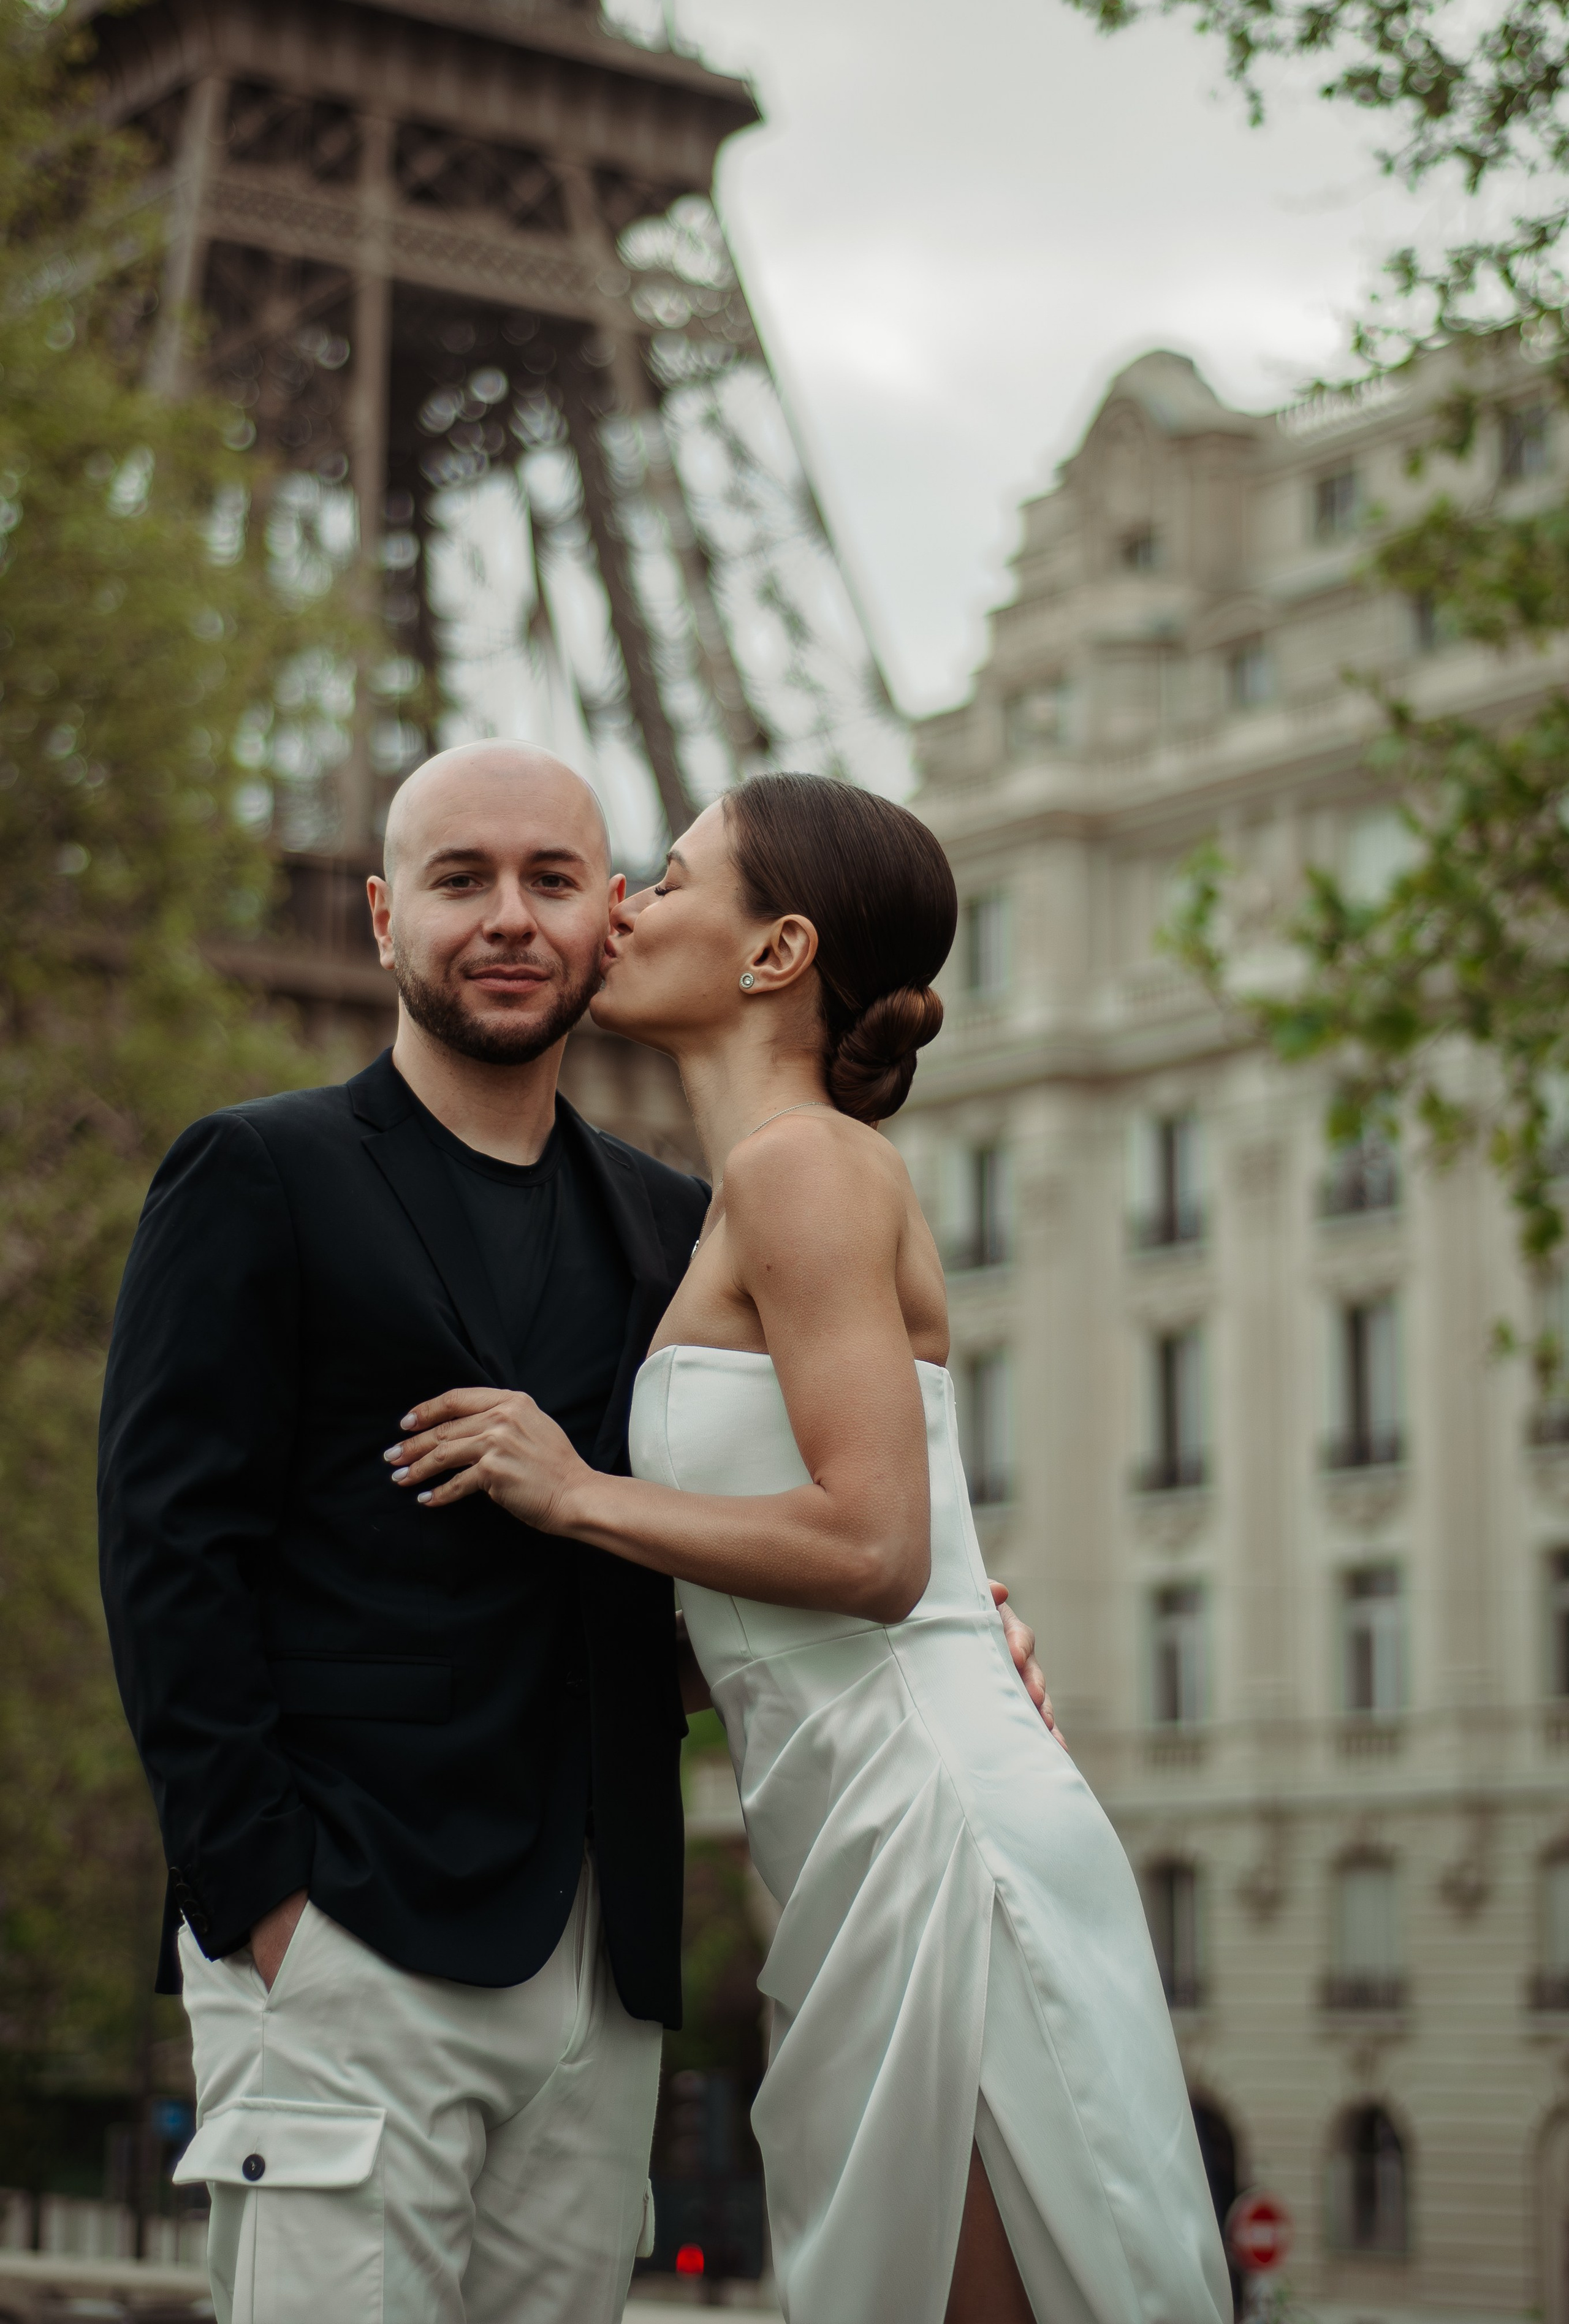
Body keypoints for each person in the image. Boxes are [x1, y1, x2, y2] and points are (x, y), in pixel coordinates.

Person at [98, 741, 1047, 2324]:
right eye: (461, 882)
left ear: (612, 916)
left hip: (598, 1967)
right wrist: (262, 1903)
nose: (509, 918)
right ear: (382, 922)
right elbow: (165, 1555)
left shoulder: (680, 1224)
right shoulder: (257, 1178)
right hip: (345, 1931)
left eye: (552, 880)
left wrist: (940, 1627)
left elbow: (727, 1557)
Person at [391, 771, 1234, 2324]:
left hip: (926, 1821)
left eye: (665, 872)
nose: (623, 906)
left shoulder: (803, 1167)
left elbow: (871, 1543)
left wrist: (573, 1491)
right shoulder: (758, 1187)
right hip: (864, 1821)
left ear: (775, 951)